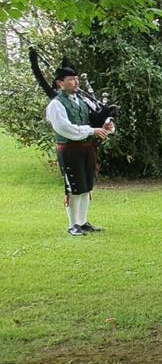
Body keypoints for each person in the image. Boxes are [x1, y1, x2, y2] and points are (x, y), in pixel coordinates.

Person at [46, 62, 113, 236]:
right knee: (74, 187)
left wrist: (106, 124)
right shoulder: (56, 104)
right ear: (60, 83)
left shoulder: (82, 100)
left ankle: (82, 222)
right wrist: (91, 131)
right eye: (71, 79)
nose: (76, 83)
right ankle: (72, 224)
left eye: (76, 79)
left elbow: (93, 120)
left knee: (86, 185)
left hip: (86, 148)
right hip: (69, 149)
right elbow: (64, 128)